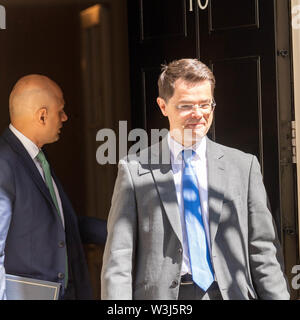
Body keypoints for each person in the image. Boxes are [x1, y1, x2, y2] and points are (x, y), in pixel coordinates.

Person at [101, 58, 290, 300]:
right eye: (186, 106)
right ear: (163, 106)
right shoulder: (134, 170)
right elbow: (119, 258)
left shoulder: (243, 166)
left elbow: (263, 250)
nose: (198, 114)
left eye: (205, 104)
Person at [0, 74, 106, 300]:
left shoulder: (37, 159)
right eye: (61, 111)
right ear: (42, 116)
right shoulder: (4, 163)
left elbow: (63, 225)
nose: (65, 117)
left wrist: (126, 231)